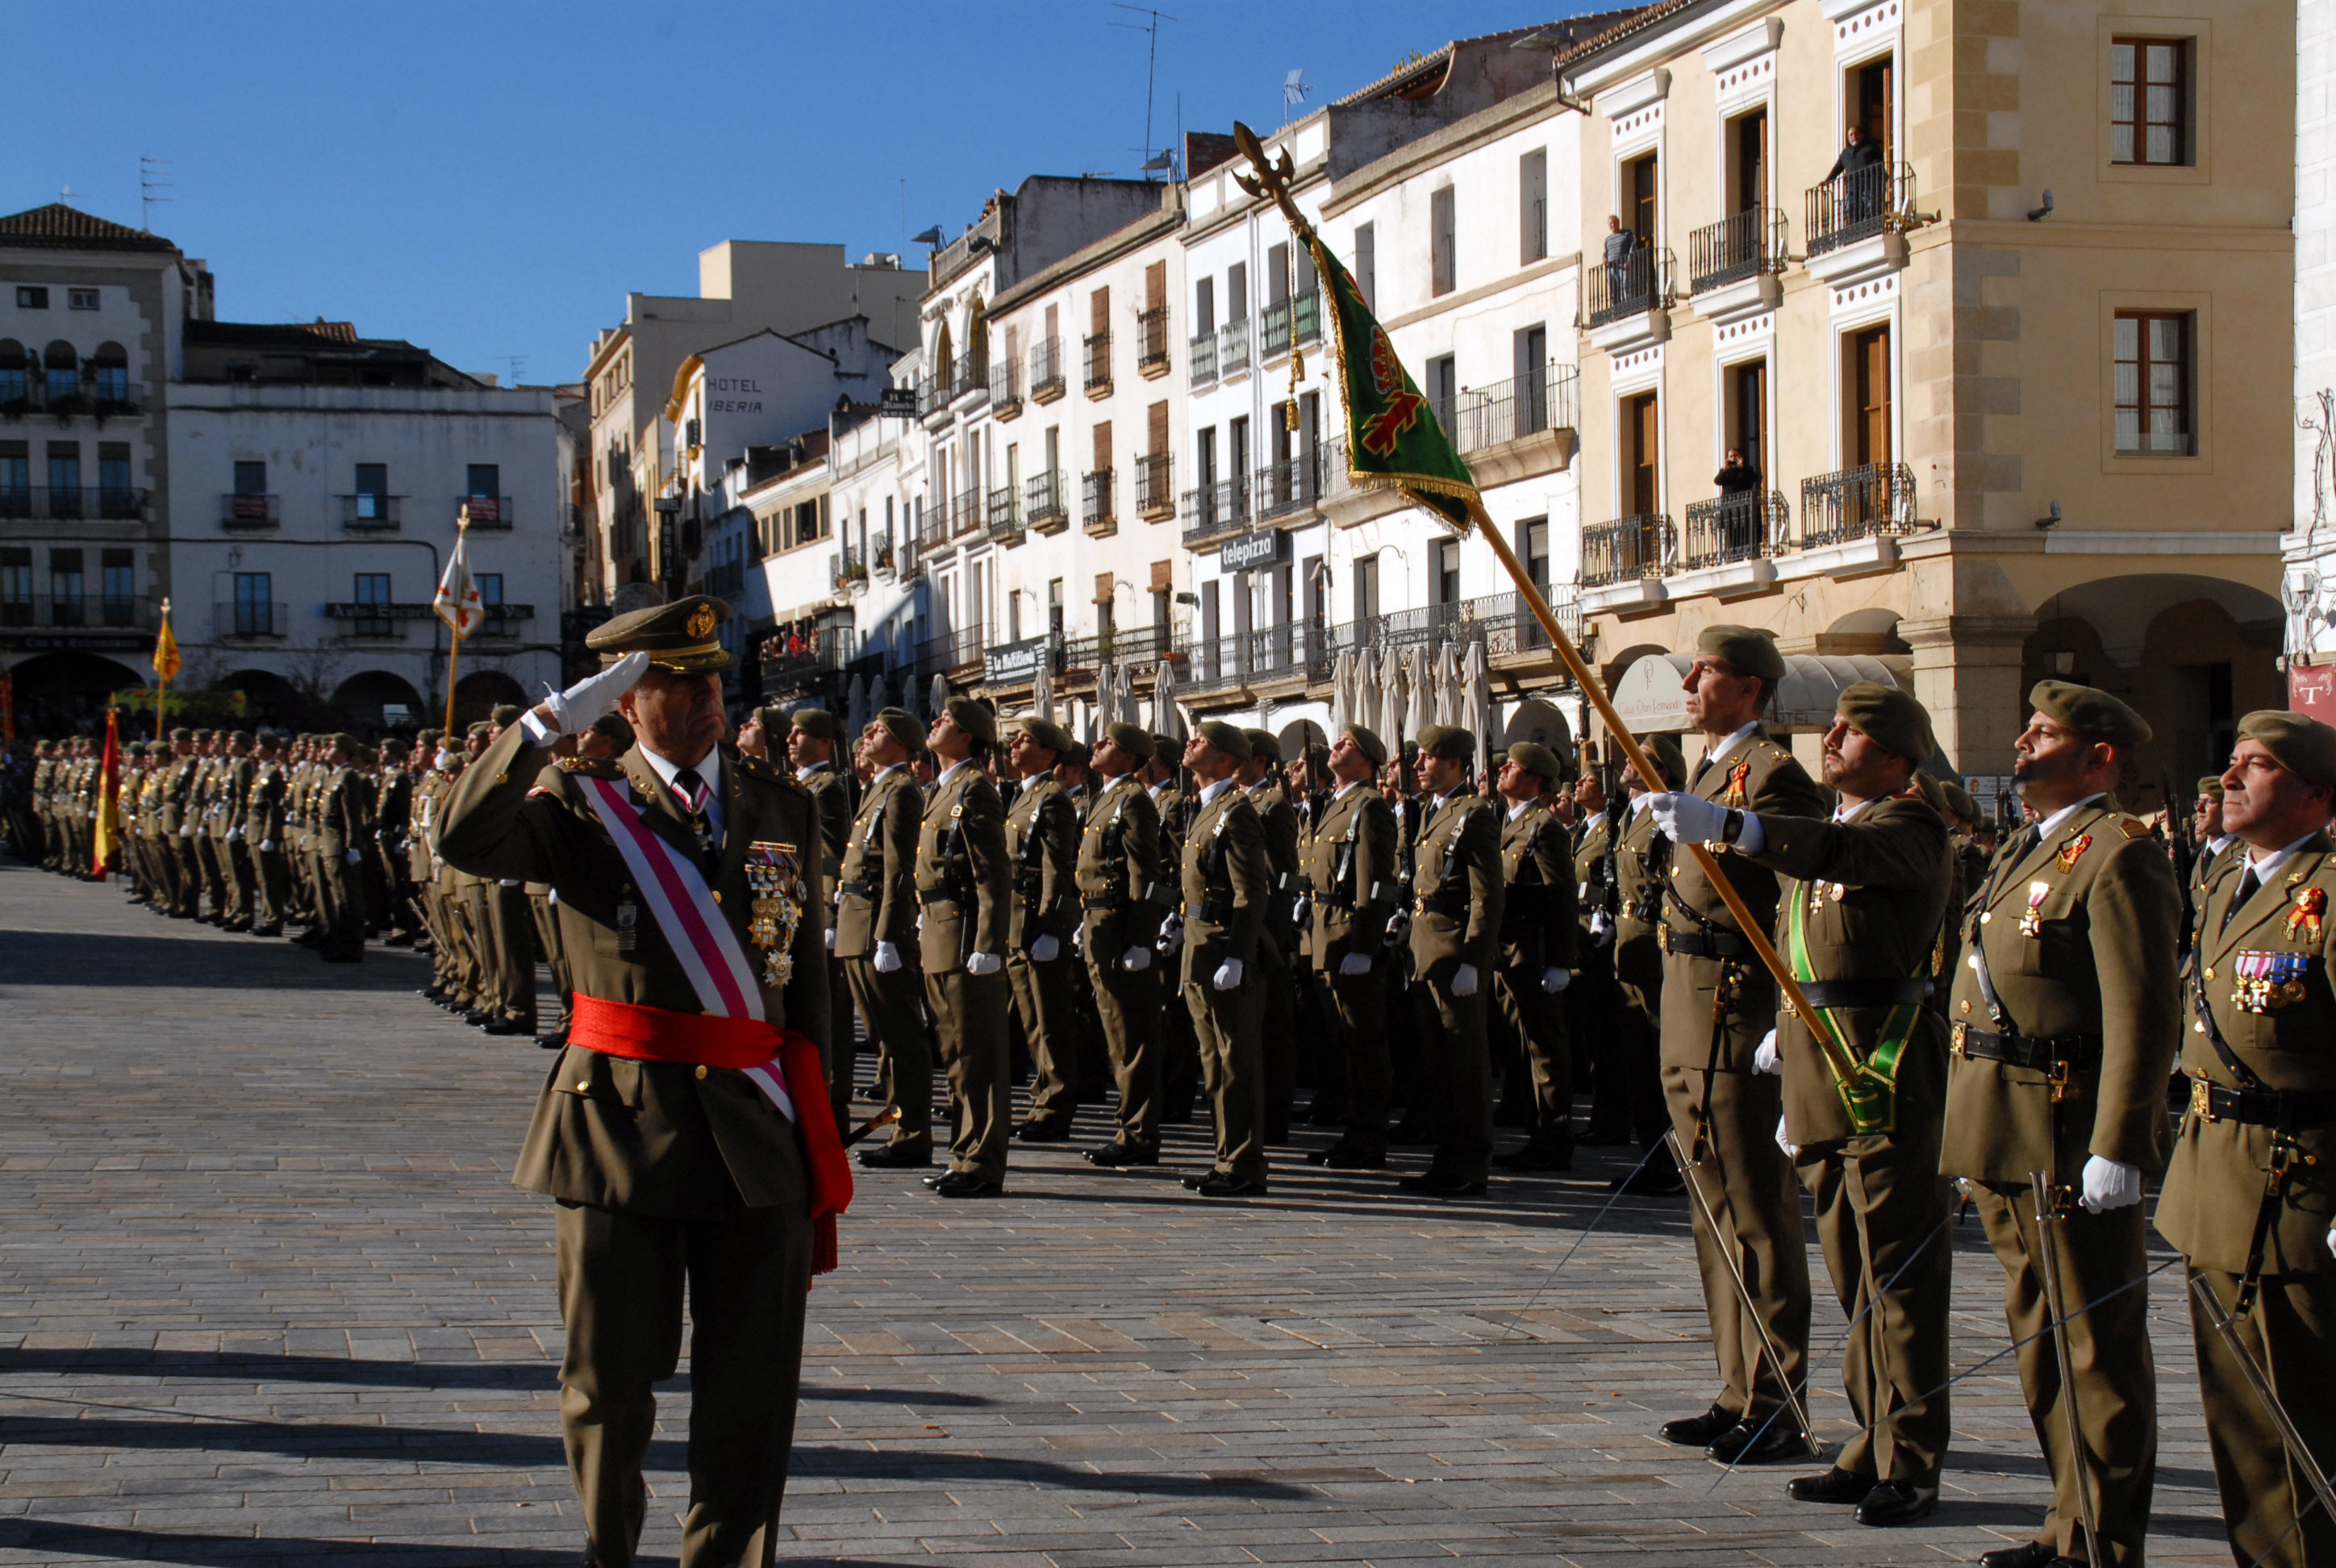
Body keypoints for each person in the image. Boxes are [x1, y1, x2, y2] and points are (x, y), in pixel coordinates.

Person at [434, 594, 843, 1568]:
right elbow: (459, 835)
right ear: (625, 697)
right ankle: (610, 1549)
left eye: (709, 677)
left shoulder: (779, 804)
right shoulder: (578, 801)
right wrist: (546, 726)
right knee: (609, 1384)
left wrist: (815, 1130)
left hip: (756, 1135)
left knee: (752, 1393)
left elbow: (806, 991)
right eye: (671, 680)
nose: (703, 696)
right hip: (618, 1128)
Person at [1649, 682, 1958, 1527]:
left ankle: (1912, 1457)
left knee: (1896, 1280)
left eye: (1854, 733)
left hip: (1883, 1068)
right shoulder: (1848, 825)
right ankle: (1870, 1444)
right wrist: (1785, 1037)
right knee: (1855, 1271)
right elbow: (1802, 937)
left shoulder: (1908, 826)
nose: (1832, 740)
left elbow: (1832, 861)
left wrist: (1737, 828)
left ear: (1895, 757)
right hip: (1824, 1065)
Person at [1941, 681, 2180, 1568]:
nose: (2021, 745)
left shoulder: (2117, 855)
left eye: (2044, 734)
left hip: (2066, 1126)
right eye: (2027, 729)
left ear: (2099, 756)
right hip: (2003, 1125)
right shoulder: (2027, 847)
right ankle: (2066, 1520)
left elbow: (2143, 1011)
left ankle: (2107, 1538)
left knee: (2093, 1340)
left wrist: (2120, 1141)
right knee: (2038, 1334)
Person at [2158, 711, 2336, 1568]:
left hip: (2300, 1187)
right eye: (2229, 762)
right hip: (2214, 1181)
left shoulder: (2329, 893)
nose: (2228, 780)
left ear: (2313, 795)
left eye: (2255, 767)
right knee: (2237, 1412)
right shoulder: (2225, 875)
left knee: (2304, 1415)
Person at [1653, 624, 1821, 1465]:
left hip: (1736, 1010)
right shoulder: (1713, 769)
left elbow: (1801, 903)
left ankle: (1779, 1399)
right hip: (1687, 1011)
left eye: (1708, 669)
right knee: (1711, 1213)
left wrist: (1786, 1025)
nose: (1690, 679)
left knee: (1755, 1213)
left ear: (1750, 687)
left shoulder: (1775, 778)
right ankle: (1736, 1386)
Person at [916, 697, 1013, 1198]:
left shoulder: (975, 788)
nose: (934, 724)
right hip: (939, 932)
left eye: (946, 722)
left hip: (963, 936)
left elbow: (992, 875)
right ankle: (964, 1152)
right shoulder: (943, 787)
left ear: (967, 737)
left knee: (979, 1054)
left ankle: (983, 1162)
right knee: (955, 1054)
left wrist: (989, 942)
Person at [1406, 724, 1504, 1197]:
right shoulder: (1434, 811)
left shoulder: (1474, 814)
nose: (1419, 766)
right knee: (1437, 1063)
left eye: (1428, 759)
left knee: (1465, 1064)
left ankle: (1469, 1164)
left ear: (1453, 764)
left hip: (1453, 953)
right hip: (1427, 951)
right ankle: (1445, 1159)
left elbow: (1487, 896)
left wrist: (1474, 960)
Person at [1175, 721, 1272, 1195]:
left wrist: (1238, 956)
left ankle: (1245, 1164)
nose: (1190, 743)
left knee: (1236, 1062)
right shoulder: (1204, 808)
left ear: (1225, 760)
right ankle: (1226, 1157)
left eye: (1203, 742)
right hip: (1198, 947)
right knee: (1214, 1063)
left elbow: (1251, 892)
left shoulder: (1235, 812)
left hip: (1222, 952)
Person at [1302, 723, 1400, 1169]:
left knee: (1364, 1043)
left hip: (1348, 935)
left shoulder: (1370, 806)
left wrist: (1365, 944)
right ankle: (1353, 1130)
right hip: (1326, 935)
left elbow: (1376, 884)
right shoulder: (1336, 804)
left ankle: (1369, 1138)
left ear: (1366, 761)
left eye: (1346, 744)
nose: (1335, 747)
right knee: (1344, 1041)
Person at [839, 709, 933, 1170]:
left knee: (900, 1035)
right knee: (881, 1036)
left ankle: (912, 1133)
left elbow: (899, 868)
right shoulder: (877, 787)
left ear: (901, 745)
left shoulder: (901, 791)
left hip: (878, 922)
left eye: (878, 731)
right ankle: (898, 1122)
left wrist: (889, 934)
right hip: (857, 920)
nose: (867, 734)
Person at [1080, 722, 1170, 1168]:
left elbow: (1144, 876)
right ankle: (1128, 1126)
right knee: (1116, 1033)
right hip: (1099, 923)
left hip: (1120, 928)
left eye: (1109, 743)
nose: (1097, 746)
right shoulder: (1108, 796)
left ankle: (1138, 1134)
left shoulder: (1133, 800)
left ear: (1131, 759)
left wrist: (1140, 939)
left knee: (1131, 1034)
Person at [1491, 741, 1578, 1173]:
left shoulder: (1545, 828)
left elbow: (1561, 896)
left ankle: (1554, 1137)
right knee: (1520, 1046)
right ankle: (1535, 1130)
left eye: (1514, 767)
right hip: (1508, 954)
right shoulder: (1506, 823)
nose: (1503, 770)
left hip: (1535, 953)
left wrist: (1561, 960)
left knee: (1545, 1050)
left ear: (1535, 780)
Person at [1002, 715, 1082, 1142]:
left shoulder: (1052, 798)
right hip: (1016, 922)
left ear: (1048, 753)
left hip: (1038, 920)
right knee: (1032, 1021)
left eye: (1024, 741)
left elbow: (1058, 868)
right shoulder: (1023, 795)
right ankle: (1042, 1098)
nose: (1014, 746)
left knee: (1050, 1020)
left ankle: (1055, 1106)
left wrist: (1054, 926)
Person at [784, 707, 855, 1126]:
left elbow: (832, 857)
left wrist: (829, 917)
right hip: (796, 909)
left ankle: (834, 1103)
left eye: (800, 733)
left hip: (817, 912)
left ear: (825, 742)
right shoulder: (801, 783)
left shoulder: (826, 787)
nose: (791, 740)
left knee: (829, 1016)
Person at [1240, 728, 1303, 1143]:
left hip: (1268, 933)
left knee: (1272, 1030)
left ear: (1259, 761)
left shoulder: (1273, 806)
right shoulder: (1238, 801)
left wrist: (1276, 938)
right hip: (1248, 929)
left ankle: (1275, 1117)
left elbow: (1282, 877)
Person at [1824, 123, 1887, 227]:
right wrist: (1827, 181)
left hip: (1869, 186)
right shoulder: (1845, 153)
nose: (1853, 136)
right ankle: (1859, 228)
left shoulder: (1871, 147)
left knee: (1871, 207)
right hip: (1853, 188)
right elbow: (1837, 168)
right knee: (1851, 208)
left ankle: (1869, 228)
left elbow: (1879, 163)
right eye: (1851, 135)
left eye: (1856, 133)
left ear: (1861, 135)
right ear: (1848, 138)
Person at [1712, 448, 1763, 557]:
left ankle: (1745, 552)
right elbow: (1717, 481)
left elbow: (1753, 479)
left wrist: (1742, 467)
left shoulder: (1747, 469)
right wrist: (1724, 469)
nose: (1733, 458)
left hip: (1744, 507)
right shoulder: (1726, 471)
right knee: (1731, 531)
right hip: (1729, 508)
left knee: (1744, 530)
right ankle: (1734, 553)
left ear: (1740, 457)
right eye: (1731, 456)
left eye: (1736, 456)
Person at [1601, 214, 1639, 311]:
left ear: (1618, 223)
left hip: (1623, 265)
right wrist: (1604, 258)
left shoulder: (1627, 234)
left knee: (1626, 286)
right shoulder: (1607, 240)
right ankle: (1616, 310)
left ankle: (1629, 308)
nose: (1613, 225)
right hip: (1612, 267)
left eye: (1614, 223)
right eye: (1610, 224)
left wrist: (1629, 260)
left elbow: (1633, 246)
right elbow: (1605, 252)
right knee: (1614, 289)